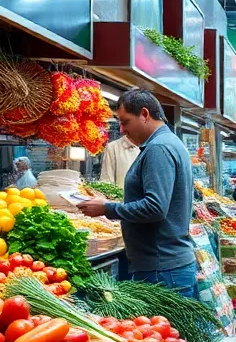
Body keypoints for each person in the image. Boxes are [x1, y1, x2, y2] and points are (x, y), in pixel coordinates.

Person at [76, 89, 197, 297]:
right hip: (166, 266)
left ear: (144, 114)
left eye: (125, 122)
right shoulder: (169, 142)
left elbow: (155, 208)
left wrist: (108, 208)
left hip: (162, 269)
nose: (122, 130)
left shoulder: (158, 148)